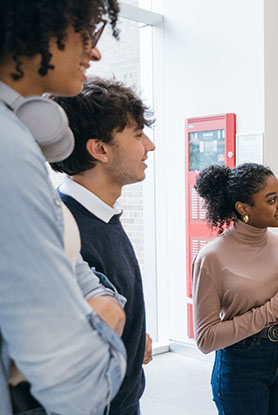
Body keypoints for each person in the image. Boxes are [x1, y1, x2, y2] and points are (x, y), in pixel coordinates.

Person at [0, 1, 130, 414]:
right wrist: (104, 331)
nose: (94, 52)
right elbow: (70, 375)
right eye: (86, 32)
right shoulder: (8, 150)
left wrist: (101, 299)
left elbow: (66, 264)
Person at [49, 77, 156, 415]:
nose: (149, 145)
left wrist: (134, 339)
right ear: (100, 149)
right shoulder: (61, 228)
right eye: (138, 135)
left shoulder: (104, 216)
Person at [192, 163, 278, 415]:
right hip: (242, 364)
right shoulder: (211, 258)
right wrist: (273, 310)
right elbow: (206, 339)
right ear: (243, 208)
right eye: (272, 200)